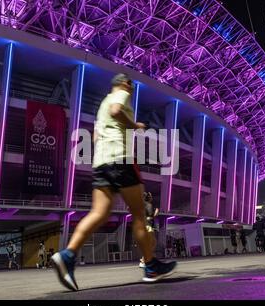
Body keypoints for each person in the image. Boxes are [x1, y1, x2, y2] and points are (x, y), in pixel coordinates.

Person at [50, 73, 177, 291]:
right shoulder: (120, 95)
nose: (132, 88)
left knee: (98, 213)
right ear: (121, 84)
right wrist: (134, 125)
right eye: (130, 84)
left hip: (101, 162)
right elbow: (116, 111)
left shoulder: (102, 104)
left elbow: (96, 136)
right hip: (121, 159)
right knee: (138, 215)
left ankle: (67, 255)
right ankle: (150, 266)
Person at [139, 192, 159, 268]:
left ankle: (144, 260)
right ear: (148, 197)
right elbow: (151, 216)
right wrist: (156, 213)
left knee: (150, 244)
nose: (152, 197)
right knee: (152, 243)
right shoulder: (148, 205)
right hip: (147, 225)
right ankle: (144, 260)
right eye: (151, 196)